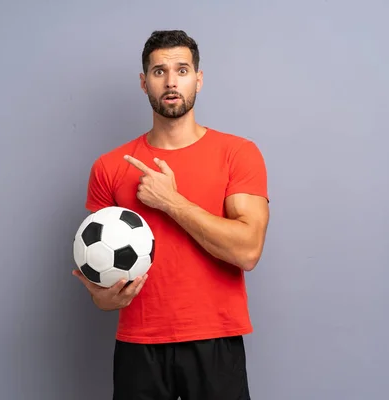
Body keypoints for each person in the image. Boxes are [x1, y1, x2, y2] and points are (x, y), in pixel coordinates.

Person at [72, 30, 270, 400]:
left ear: (199, 78)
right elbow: (100, 279)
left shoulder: (238, 153)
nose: (171, 81)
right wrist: (103, 299)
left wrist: (171, 202)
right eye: (159, 71)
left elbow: (248, 251)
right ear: (144, 82)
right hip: (138, 343)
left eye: (182, 70)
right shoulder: (109, 166)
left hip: (215, 339)